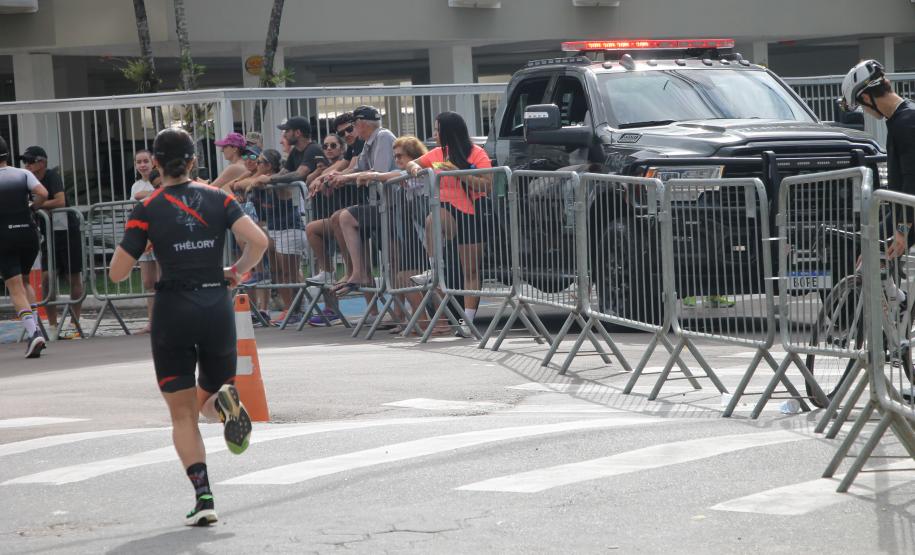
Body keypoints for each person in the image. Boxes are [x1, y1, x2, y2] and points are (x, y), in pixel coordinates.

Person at [109, 128, 268, 526]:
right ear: (194, 161)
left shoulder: (147, 207)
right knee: (211, 395)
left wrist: (143, 243)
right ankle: (225, 404)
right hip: (216, 306)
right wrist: (236, 271)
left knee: (183, 415)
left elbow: (116, 273)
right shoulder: (219, 198)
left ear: (155, 164)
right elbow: (259, 241)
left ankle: (204, 497)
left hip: (173, 311)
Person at [406, 111, 493, 331]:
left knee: (470, 270)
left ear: (449, 132)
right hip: (446, 210)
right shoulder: (436, 153)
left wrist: (459, 172)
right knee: (432, 220)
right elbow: (411, 163)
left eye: (437, 130)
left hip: (472, 213)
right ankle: (434, 268)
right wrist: (415, 168)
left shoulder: (476, 153)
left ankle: (468, 320)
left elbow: (487, 184)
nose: (434, 134)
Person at [841, 60, 915, 260]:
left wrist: (902, 230)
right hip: (905, 212)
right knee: (867, 253)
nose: (865, 111)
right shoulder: (901, 117)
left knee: (871, 256)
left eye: (861, 105)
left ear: (867, 97)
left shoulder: (906, 122)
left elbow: (912, 179)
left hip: (908, 213)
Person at [329, 105, 396, 297]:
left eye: (352, 127)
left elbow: (378, 172)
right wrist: (337, 176)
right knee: (394, 264)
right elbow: (359, 169)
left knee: (346, 217)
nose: (348, 134)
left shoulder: (383, 136)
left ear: (360, 124)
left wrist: (345, 177)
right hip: (382, 205)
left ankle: (359, 273)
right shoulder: (368, 142)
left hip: (394, 206)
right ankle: (356, 272)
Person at [22, 145, 85, 338]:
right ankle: (52, 325)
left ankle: (75, 323)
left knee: (73, 277)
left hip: (67, 231)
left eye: (30, 161)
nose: (27, 165)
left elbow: (60, 201)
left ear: (42, 162)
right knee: (47, 279)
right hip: (47, 233)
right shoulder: (27, 180)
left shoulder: (52, 176)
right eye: (25, 161)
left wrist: (36, 205)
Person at [0, 136, 49, 358]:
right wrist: (32, 207)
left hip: (4, 235)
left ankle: (33, 333)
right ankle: (36, 329)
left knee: (15, 287)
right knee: (26, 280)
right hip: (28, 233)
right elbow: (43, 193)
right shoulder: (22, 173)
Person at [130, 150, 160, 334]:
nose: (142, 165)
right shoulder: (136, 185)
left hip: (159, 234)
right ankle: (152, 321)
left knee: (163, 279)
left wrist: (150, 192)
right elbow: (137, 198)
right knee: (148, 282)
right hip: (143, 234)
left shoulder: (162, 180)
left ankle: (168, 319)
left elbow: (154, 195)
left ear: (153, 162)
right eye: (139, 162)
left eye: (146, 161)